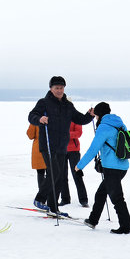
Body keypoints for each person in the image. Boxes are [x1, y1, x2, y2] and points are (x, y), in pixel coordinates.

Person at [28, 76, 94, 217]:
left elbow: (79, 119)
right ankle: (40, 198)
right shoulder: (44, 103)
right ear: (51, 89)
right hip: (48, 145)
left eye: (61, 88)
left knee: (59, 177)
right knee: (55, 173)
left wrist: (89, 115)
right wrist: (39, 119)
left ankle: (53, 208)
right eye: (56, 88)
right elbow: (31, 116)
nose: (59, 90)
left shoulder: (68, 106)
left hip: (62, 147)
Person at [74, 102, 130, 234]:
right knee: (101, 193)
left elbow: (93, 150)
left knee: (117, 198)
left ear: (99, 115)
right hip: (123, 166)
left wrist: (79, 166)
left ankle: (125, 227)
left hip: (112, 168)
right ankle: (93, 220)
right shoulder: (119, 123)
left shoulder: (104, 127)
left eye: (96, 115)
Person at [62, 122, 88, 207]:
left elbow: (78, 133)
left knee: (77, 174)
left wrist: (65, 134)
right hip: (61, 150)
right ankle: (65, 199)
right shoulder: (59, 116)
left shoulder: (75, 118)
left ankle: (83, 199)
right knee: (62, 175)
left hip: (74, 150)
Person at [26, 124, 48, 197]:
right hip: (51, 148)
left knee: (40, 173)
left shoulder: (36, 120)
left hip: (39, 149)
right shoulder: (53, 117)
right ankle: (50, 195)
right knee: (52, 173)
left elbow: (30, 135)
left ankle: (42, 195)